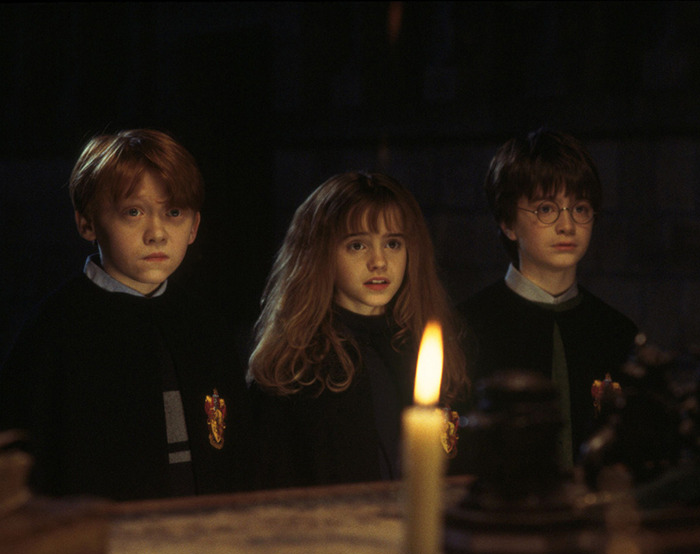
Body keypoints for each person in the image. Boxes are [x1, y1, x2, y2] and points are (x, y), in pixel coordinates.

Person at [0, 129, 254, 500]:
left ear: (194, 227)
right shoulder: (54, 331)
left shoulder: (206, 327)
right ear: (87, 223)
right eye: (133, 212)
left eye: (173, 213)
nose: (157, 234)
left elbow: (238, 459)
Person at [247, 171, 469, 488]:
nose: (379, 261)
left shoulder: (426, 347)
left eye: (392, 243)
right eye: (357, 245)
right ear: (320, 254)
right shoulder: (293, 370)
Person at [459, 128, 638, 471]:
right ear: (508, 222)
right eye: (546, 208)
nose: (567, 225)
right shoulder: (466, 327)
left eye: (580, 208)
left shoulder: (617, 332)